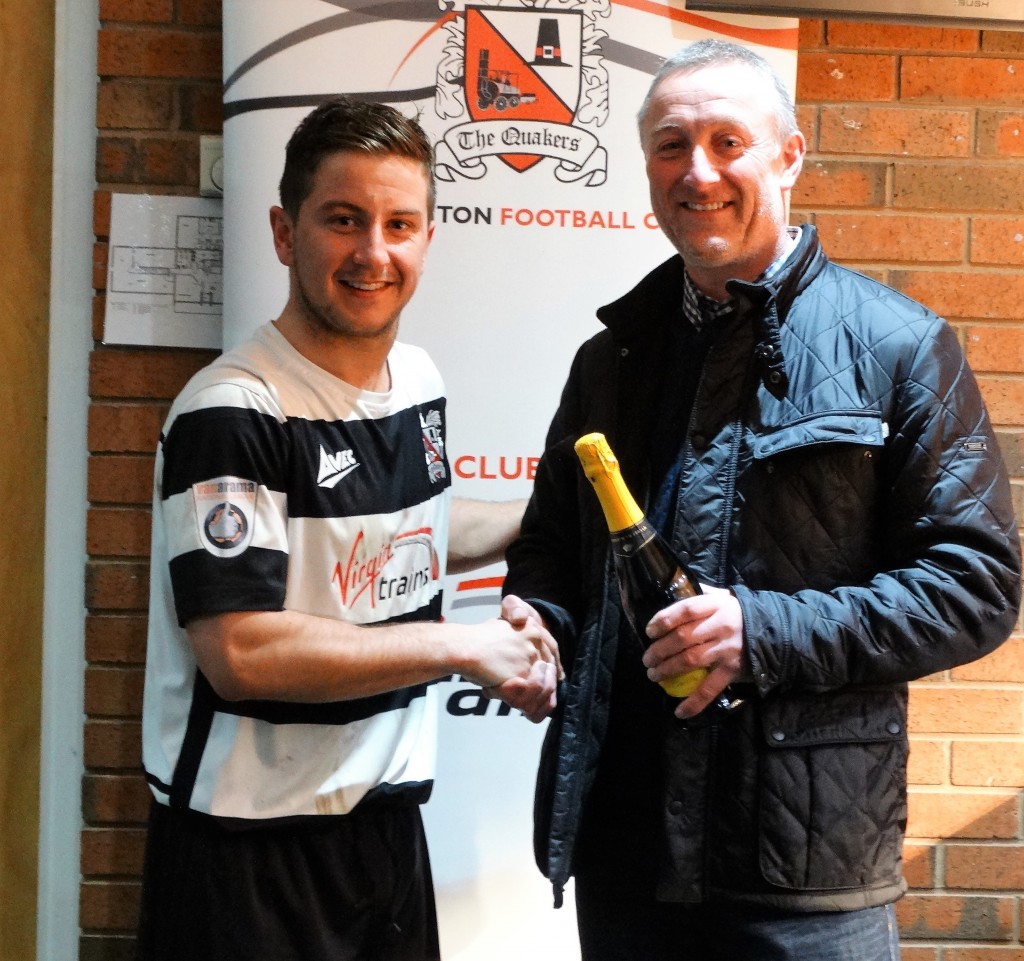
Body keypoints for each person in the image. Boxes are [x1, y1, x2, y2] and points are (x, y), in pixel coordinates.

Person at [503, 38, 1022, 961]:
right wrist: (536, 620)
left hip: (806, 871)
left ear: (788, 156)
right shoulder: (611, 358)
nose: (697, 171)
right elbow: (551, 547)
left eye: (726, 141)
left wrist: (760, 631)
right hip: (627, 856)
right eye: (670, 145)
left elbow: (975, 586)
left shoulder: (900, 346)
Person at [136, 95, 559, 961]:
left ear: (428, 240)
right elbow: (241, 650)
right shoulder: (233, 409)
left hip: (383, 830)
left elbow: (411, 535)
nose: (374, 252)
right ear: (285, 234)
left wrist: (547, 521)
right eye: (343, 220)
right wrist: (462, 646)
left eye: (400, 223)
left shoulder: (416, 378)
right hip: (247, 849)